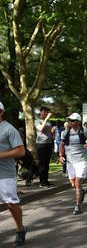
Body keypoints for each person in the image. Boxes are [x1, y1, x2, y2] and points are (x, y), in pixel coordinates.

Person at [0, 101, 27, 246]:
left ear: (1, 112)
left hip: (5, 173)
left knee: (10, 203)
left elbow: (21, 151)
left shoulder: (9, 129)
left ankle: (20, 229)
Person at [59, 113, 87, 215]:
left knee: (77, 183)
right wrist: (61, 155)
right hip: (70, 162)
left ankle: (77, 206)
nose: (70, 122)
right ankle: (81, 191)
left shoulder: (84, 132)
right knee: (73, 184)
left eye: (73, 120)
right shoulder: (65, 133)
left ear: (78, 122)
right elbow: (62, 144)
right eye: (69, 120)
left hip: (81, 161)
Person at [35, 106, 54, 187]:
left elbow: (49, 132)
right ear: (41, 112)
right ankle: (42, 182)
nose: (46, 113)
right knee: (42, 163)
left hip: (49, 143)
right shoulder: (37, 121)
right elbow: (41, 129)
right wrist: (47, 118)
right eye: (45, 112)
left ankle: (46, 180)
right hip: (41, 144)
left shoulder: (49, 122)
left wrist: (53, 131)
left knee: (47, 163)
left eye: (47, 112)